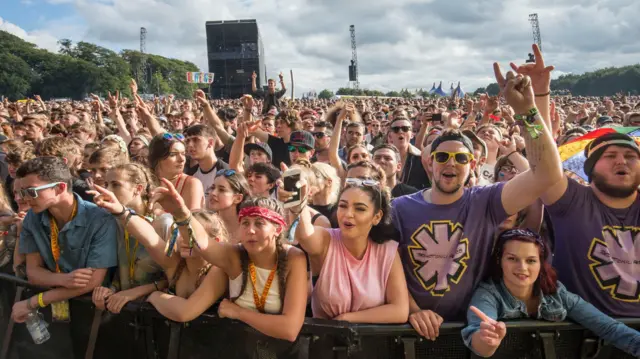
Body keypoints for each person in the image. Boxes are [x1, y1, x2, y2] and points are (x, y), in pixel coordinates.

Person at [393, 56, 564, 339]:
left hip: (474, 329)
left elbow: (546, 174)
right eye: (442, 156)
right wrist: (412, 309)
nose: (451, 162)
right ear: (429, 163)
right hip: (410, 329)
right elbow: (388, 265)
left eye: (461, 157)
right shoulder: (400, 207)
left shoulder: (485, 201)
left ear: (473, 165)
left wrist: (527, 111)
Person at [147, 191, 308, 342]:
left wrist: (238, 313)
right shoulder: (235, 255)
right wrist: (181, 212)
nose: (251, 230)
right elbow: (203, 243)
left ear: (278, 229)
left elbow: (290, 329)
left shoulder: (293, 258)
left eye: (259, 223)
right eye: (245, 223)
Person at [462, 228, 640, 357]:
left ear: (541, 264)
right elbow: (479, 343)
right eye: (512, 259)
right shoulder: (487, 294)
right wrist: (487, 340)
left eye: (531, 260)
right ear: (499, 261)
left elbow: (608, 327)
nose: (522, 267)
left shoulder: (557, 293)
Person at [541, 131, 640, 317]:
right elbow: (542, 160)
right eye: (610, 156)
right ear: (591, 168)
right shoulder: (571, 201)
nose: (621, 161)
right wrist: (532, 110)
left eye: (631, 156)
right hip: (585, 334)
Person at [10, 157, 118, 323]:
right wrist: (64, 280)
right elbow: (33, 273)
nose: (24, 198)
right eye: (22, 192)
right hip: (53, 311)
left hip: (93, 310)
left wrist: (34, 302)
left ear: (60, 188)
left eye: (31, 191)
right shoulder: (32, 217)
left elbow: (92, 282)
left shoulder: (100, 219)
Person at [293, 178, 409, 323]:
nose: (348, 214)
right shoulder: (325, 239)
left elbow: (400, 310)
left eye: (359, 208)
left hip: (374, 342)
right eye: (342, 206)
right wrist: (298, 202)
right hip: (325, 342)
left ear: (377, 217)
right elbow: (305, 235)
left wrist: (346, 319)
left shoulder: (387, 250)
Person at [89, 164, 165, 313]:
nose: (109, 191)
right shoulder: (113, 222)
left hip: (157, 312)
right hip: (124, 310)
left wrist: (135, 292)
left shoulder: (163, 223)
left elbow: (175, 275)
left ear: (138, 189)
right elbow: (121, 269)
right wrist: (109, 290)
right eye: (106, 184)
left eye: (116, 185)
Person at [148, 133, 204, 210]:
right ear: (158, 158)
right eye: (173, 154)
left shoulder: (192, 183)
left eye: (183, 153)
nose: (182, 159)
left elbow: (193, 220)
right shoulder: (145, 181)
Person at [206, 169, 251, 240]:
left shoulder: (249, 229)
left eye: (221, 190)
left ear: (238, 198)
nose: (213, 193)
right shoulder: (205, 225)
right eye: (213, 188)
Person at [184, 124, 230, 193]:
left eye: (195, 140)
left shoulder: (226, 172)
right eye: (187, 141)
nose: (190, 145)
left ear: (210, 142)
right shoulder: (190, 174)